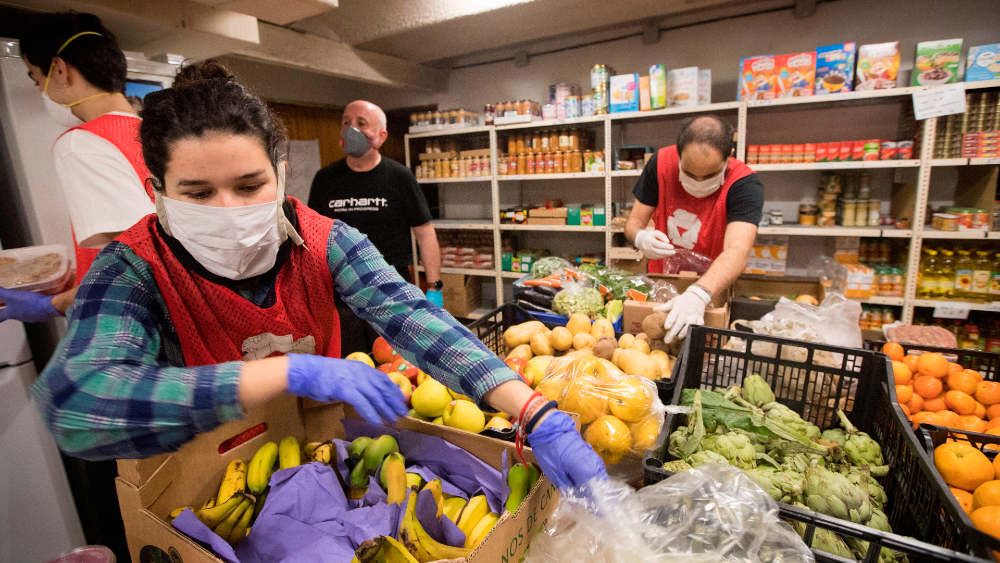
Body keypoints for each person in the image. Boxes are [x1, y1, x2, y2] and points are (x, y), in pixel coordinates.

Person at [32, 61, 607, 496]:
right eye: (198, 194)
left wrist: (535, 414)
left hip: (316, 457)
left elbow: (413, 318)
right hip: (203, 483)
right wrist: (287, 371)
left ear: (281, 175)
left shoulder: (326, 241)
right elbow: (78, 404)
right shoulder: (133, 267)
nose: (229, 209)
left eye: (250, 185)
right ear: (157, 191)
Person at [0, 13, 155, 324]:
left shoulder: (81, 143)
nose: (41, 91)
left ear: (59, 69)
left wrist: (52, 304)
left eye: (36, 79)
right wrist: (76, 277)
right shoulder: (151, 131)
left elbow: (140, 265)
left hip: (127, 322)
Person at [307, 100, 444, 355]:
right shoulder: (325, 179)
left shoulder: (399, 177)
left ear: (381, 136)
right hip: (341, 296)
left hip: (390, 294)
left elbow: (424, 233)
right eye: (346, 122)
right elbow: (312, 235)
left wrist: (434, 287)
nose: (351, 129)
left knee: (396, 363)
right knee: (352, 362)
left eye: (361, 123)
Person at [625, 115, 763, 342]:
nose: (698, 183)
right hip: (661, 283)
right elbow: (634, 221)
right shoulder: (661, 164)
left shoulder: (744, 184)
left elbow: (738, 250)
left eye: (710, 175)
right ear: (678, 154)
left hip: (711, 290)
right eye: (689, 174)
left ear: (729, 156)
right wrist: (640, 238)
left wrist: (698, 295)